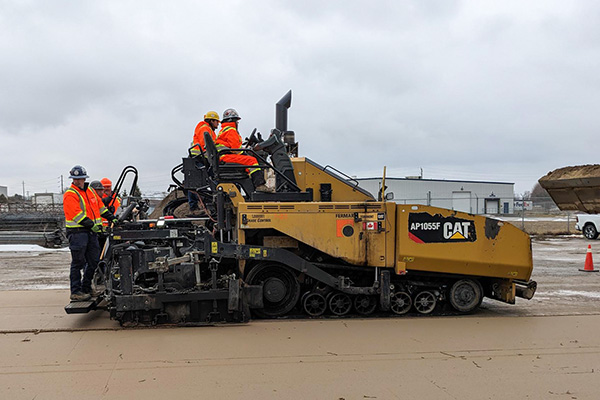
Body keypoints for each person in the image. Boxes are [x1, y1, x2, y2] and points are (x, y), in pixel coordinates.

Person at [63, 165, 118, 301]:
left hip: (90, 233)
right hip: (77, 233)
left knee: (93, 261)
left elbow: (100, 208)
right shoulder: (70, 194)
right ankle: (76, 291)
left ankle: (86, 287)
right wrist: (92, 225)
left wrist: (113, 218)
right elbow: (77, 215)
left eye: (81, 178)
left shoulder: (90, 192)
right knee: (78, 262)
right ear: (73, 180)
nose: (79, 181)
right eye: (76, 179)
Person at [215, 108, 267, 189]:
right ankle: (259, 185)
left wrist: (246, 149)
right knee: (252, 160)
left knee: (248, 159)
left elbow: (233, 147)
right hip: (226, 157)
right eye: (237, 121)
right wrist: (246, 152)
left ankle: (253, 186)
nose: (237, 123)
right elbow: (236, 150)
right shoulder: (231, 130)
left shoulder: (224, 130)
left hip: (224, 156)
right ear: (233, 121)